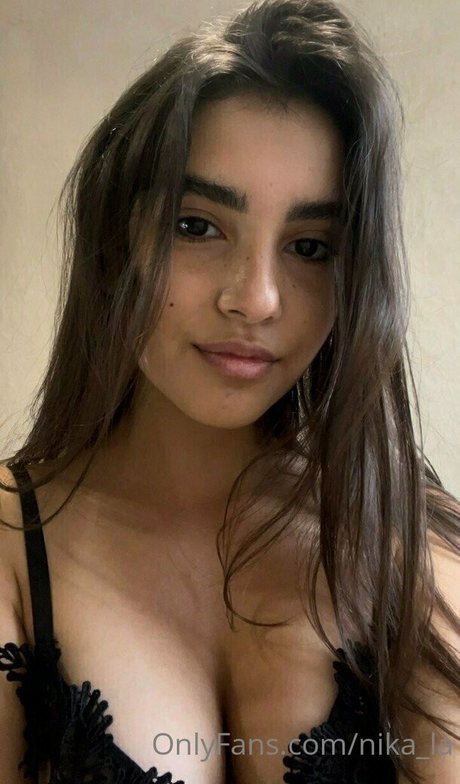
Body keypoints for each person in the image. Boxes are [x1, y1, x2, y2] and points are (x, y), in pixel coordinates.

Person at [0, 0, 459, 782]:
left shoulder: (406, 539)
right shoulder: (14, 546)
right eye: (197, 226)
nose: (256, 299)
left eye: (310, 246)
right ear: (117, 240)